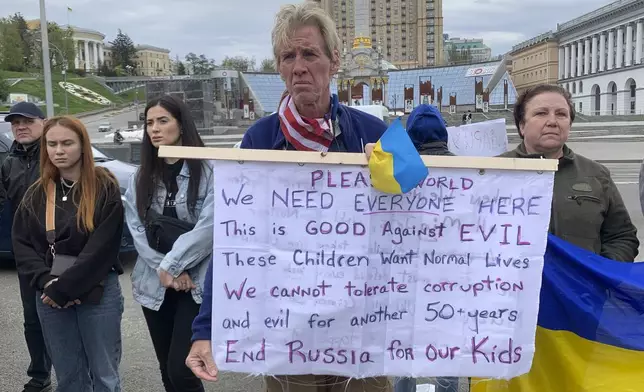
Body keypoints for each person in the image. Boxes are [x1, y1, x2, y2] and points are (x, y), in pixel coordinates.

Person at [186, 2, 390, 391]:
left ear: (334, 60)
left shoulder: (374, 132)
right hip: (288, 335)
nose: (299, 66)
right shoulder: (259, 140)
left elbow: (423, 222)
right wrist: (206, 328)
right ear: (278, 67)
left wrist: (394, 178)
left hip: (363, 334)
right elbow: (234, 242)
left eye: (310, 54)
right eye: (288, 56)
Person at [12, 116, 125, 391]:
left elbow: (101, 248)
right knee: (69, 377)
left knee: (104, 376)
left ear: (83, 146)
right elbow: (22, 244)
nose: (58, 150)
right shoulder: (37, 193)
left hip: (97, 290)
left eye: (67, 143)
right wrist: (47, 283)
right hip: (50, 293)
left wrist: (65, 288)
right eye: (52, 144)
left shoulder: (104, 187)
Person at [125, 94, 214, 392]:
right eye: (149, 122)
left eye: (163, 121)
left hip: (196, 282)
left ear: (181, 124)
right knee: (166, 372)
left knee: (183, 370)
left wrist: (174, 265)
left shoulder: (210, 170)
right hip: (155, 282)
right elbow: (137, 228)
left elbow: (210, 227)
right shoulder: (141, 175)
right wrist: (164, 269)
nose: (154, 129)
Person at [501, 84, 639, 261]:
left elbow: (622, 237)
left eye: (561, 114)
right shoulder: (492, 172)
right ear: (522, 126)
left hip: (581, 287)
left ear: (570, 125)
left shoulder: (597, 174)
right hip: (510, 285)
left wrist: (598, 274)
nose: (552, 121)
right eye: (541, 113)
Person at [393, 104, 458, 392]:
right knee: (447, 347)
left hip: (403, 277)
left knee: (402, 348)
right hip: (451, 280)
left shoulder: (396, 171)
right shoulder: (466, 171)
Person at [0, 102, 52, 392]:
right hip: (27, 254)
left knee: (66, 315)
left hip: (63, 251)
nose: (20, 126)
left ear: (43, 122)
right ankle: (40, 374)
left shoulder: (56, 153)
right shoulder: (10, 162)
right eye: (15, 122)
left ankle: (81, 373)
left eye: (27, 121)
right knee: (32, 318)